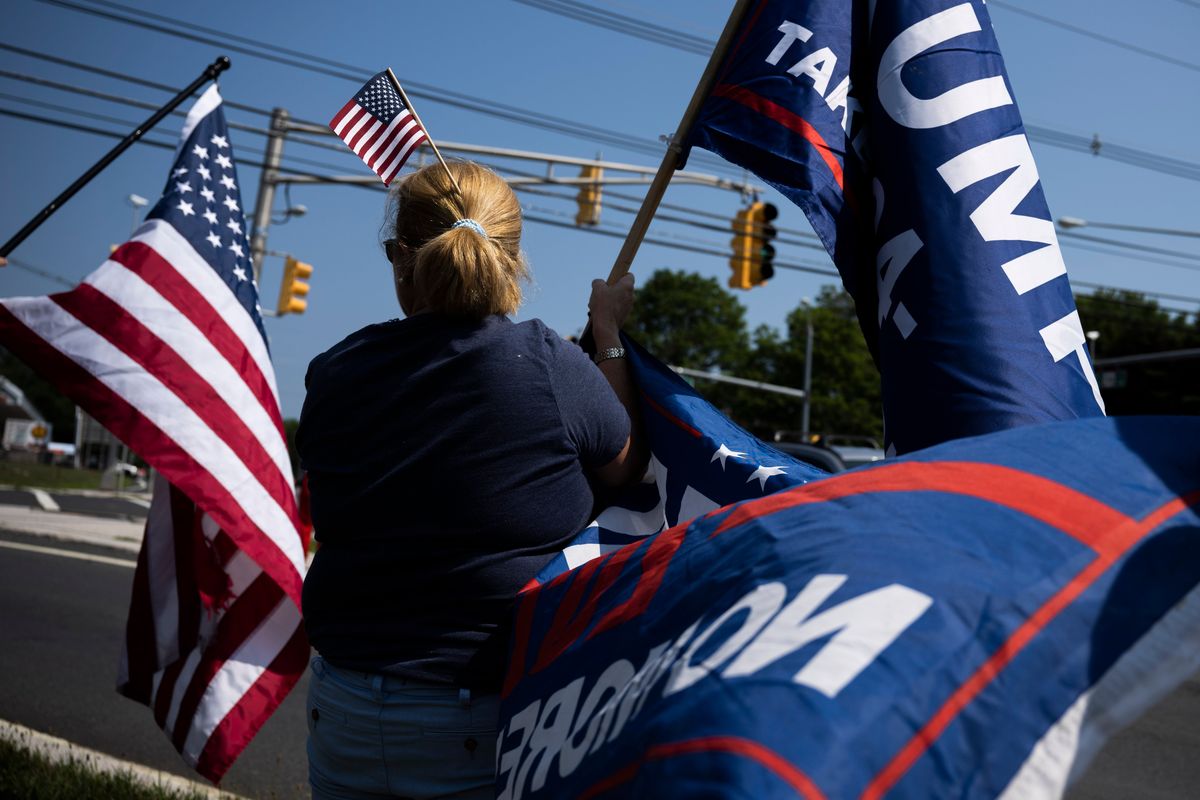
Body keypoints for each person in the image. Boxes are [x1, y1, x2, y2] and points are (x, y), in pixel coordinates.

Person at [296, 160, 645, 800]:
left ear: (401, 258)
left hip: (340, 705)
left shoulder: (333, 371)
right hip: (481, 723)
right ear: (511, 260)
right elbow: (624, 463)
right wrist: (608, 335)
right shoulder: (548, 366)